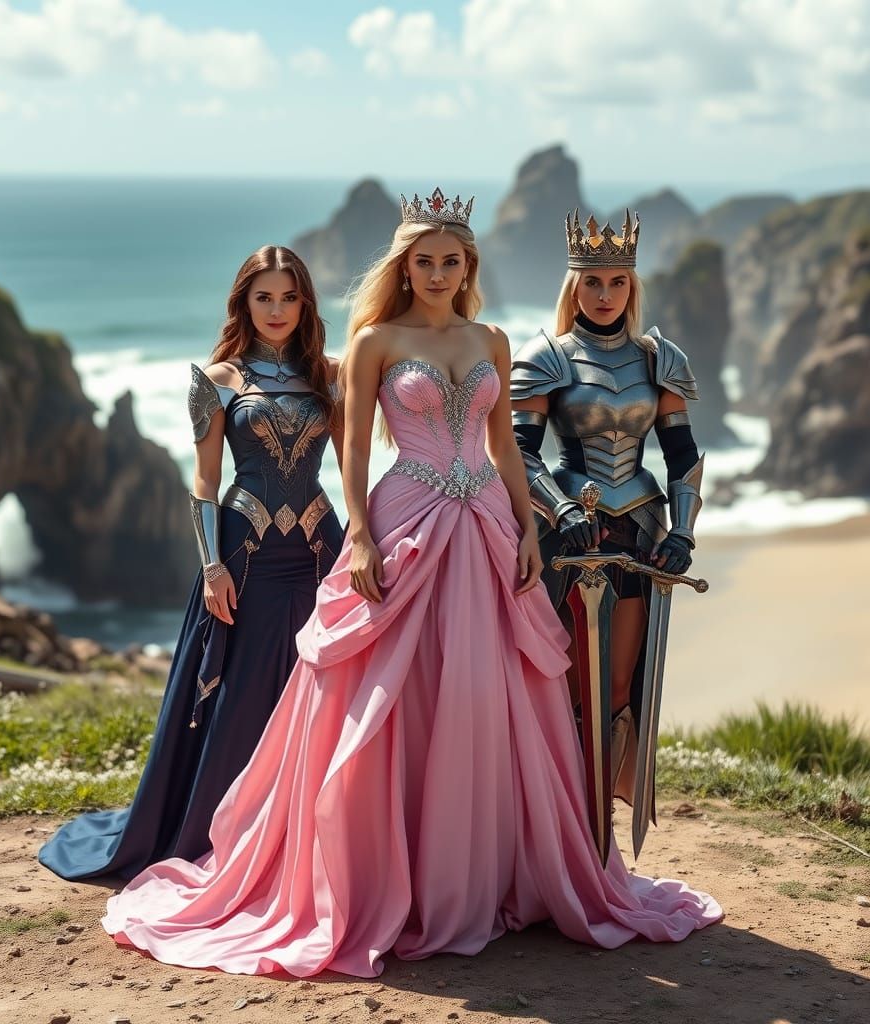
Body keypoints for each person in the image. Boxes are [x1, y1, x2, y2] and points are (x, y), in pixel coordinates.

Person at [100, 190, 721, 977]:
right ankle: (380, 871)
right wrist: (359, 535)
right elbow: (352, 452)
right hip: (405, 519)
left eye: (450, 260)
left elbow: (506, 450)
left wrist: (527, 531)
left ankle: (480, 869)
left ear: (468, 266)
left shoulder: (493, 339)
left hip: (489, 526)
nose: (436, 271)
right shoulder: (375, 342)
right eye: (422, 260)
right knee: (386, 694)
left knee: (481, 691)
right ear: (405, 266)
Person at [39, 245, 343, 881]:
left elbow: (353, 467)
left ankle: (311, 831)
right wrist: (211, 567)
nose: (278, 309)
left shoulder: (330, 376)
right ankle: (225, 829)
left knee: (320, 684)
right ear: (244, 303)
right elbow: (204, 484)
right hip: (246, 551)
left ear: (305, 303)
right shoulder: (219, 379)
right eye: (265, 298)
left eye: (290, 298)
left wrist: (371, 535)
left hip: (319, 549)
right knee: (245, 688)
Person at [510, 209, 704, 851]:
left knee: (620, 686)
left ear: (630, 285)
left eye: (615, 282)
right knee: (562, 684)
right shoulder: (546, 356)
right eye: (592, 282)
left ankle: (602, 836)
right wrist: (559, 511)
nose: (603, 294)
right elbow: (521, 453)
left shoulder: (661, 358)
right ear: (574, 286)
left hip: (640, 537)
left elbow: (683, 457)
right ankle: (556, 833)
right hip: (565, 536)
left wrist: (682, 531)